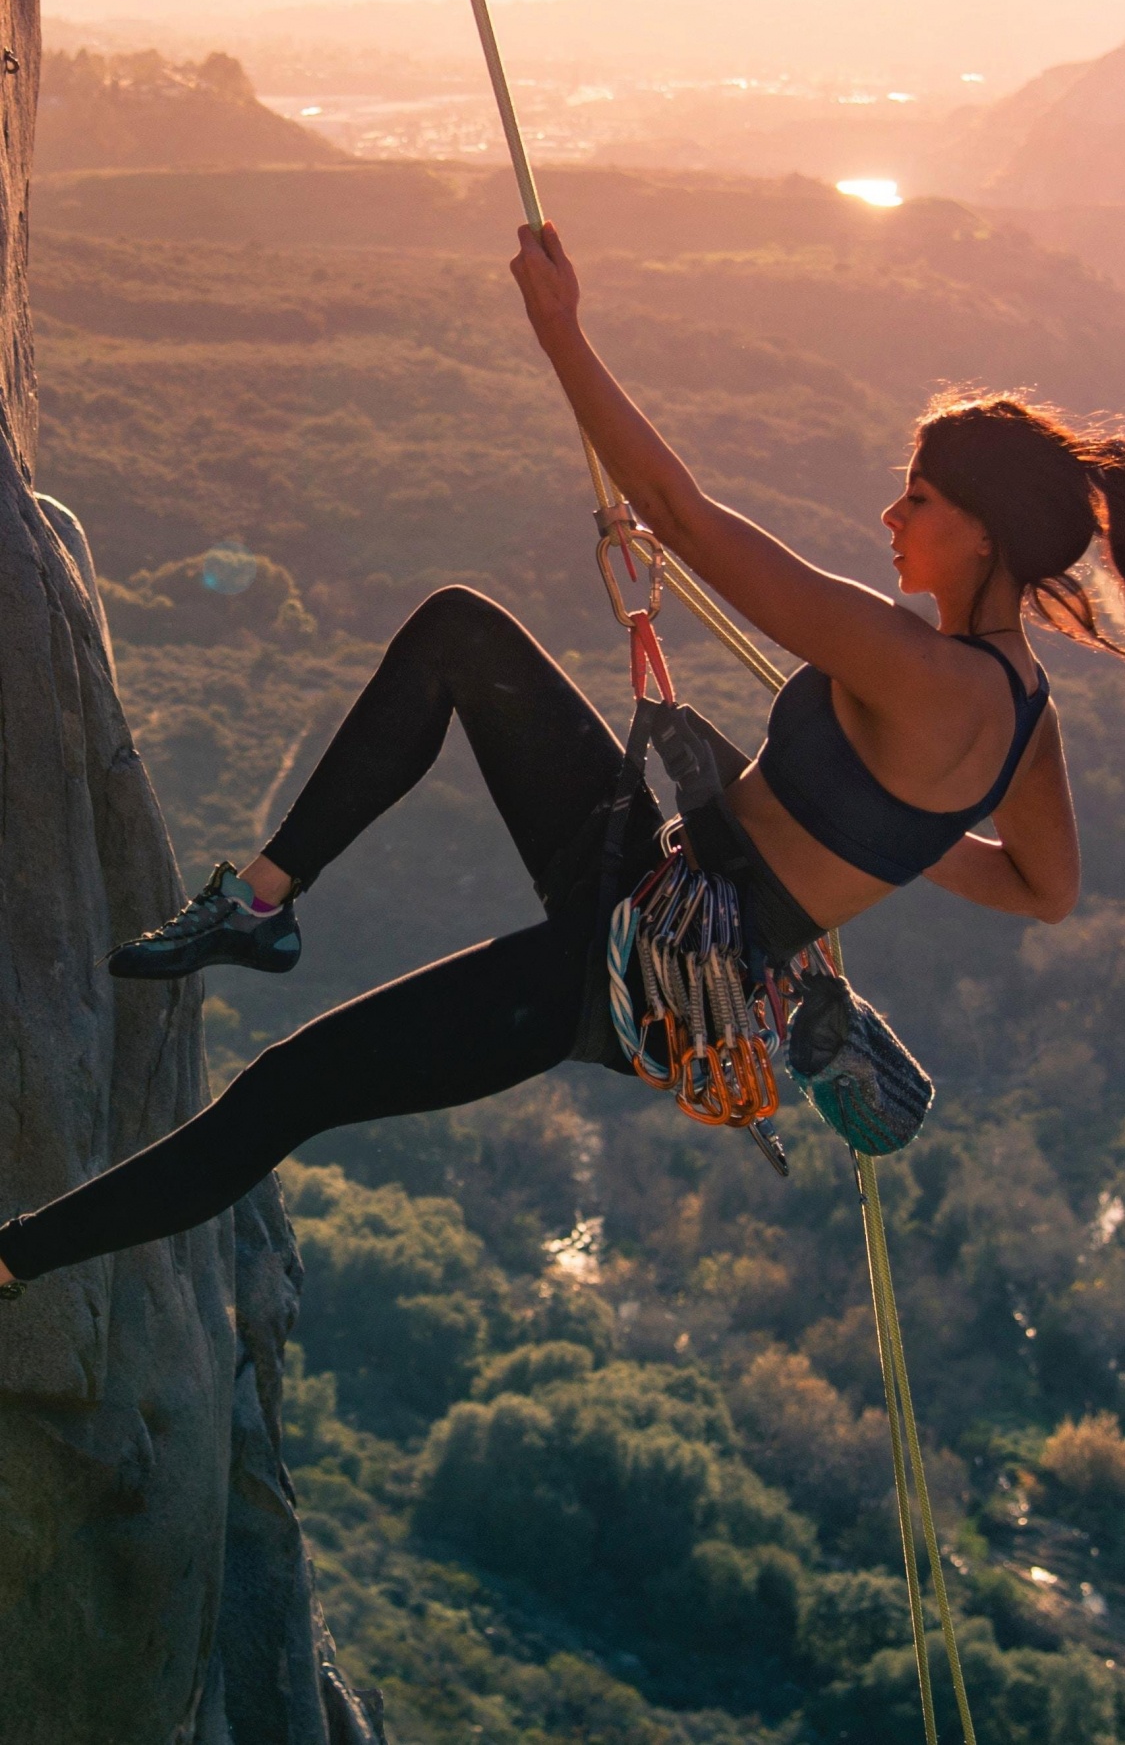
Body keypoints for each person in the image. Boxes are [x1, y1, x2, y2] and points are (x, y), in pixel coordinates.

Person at [1, 221, 1121, 1298]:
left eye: (916, 497)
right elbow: (1046, 889)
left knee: (289, 1088)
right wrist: (892, 830)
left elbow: (682, 509)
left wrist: (560, 332)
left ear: (982, 532)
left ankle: (13, 1261)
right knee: (460, 632)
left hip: (632, 975)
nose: (891, 513)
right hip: (663, 879)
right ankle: (261, 903)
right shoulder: (1025, 713)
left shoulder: (917, 667)